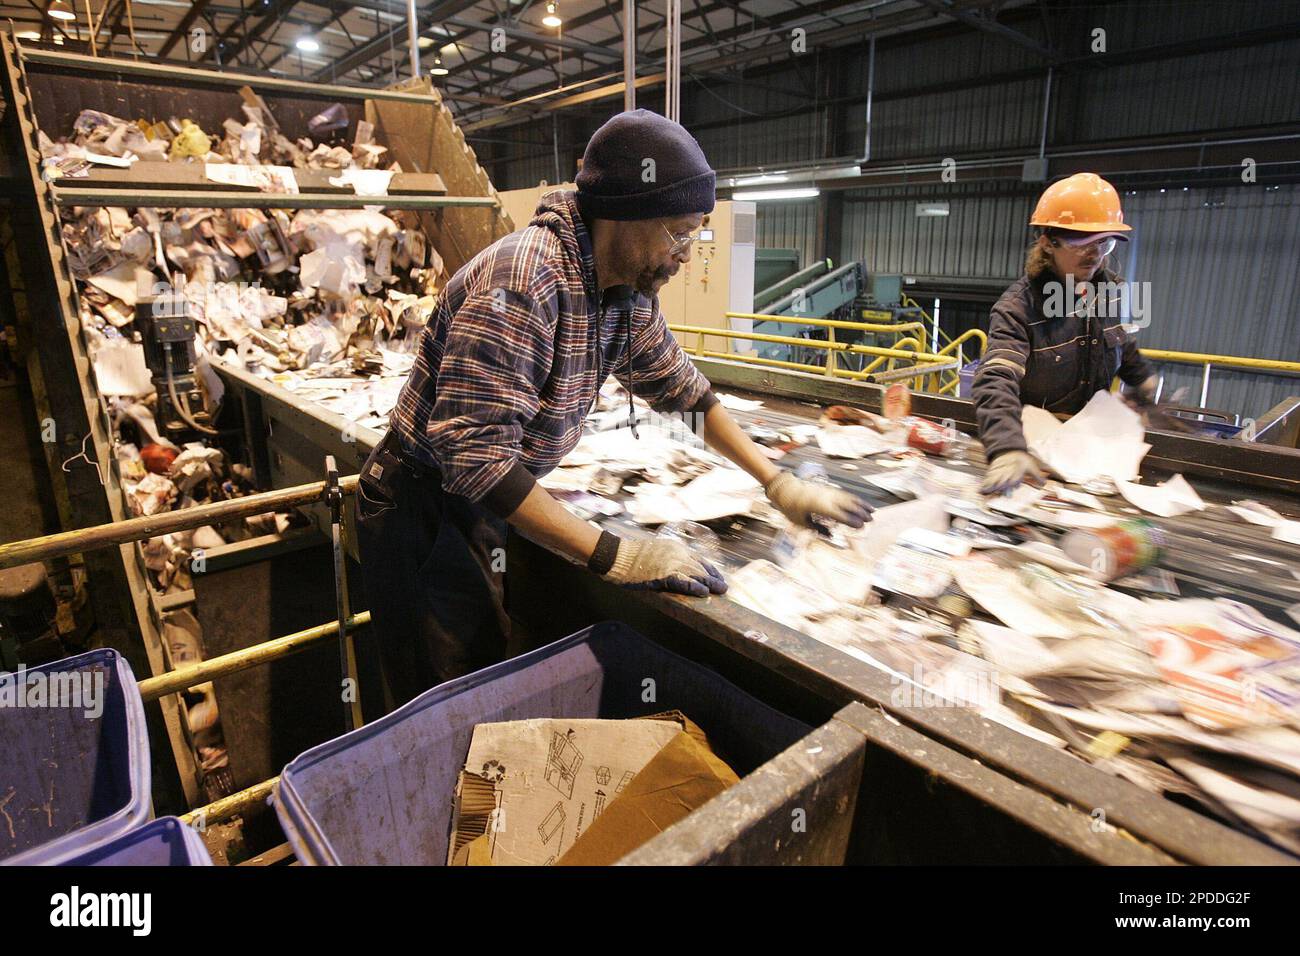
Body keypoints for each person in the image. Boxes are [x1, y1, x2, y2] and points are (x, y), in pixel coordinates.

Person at [356, 109, 872, 705]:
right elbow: (478, 460)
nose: (685, 254)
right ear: (624, 213)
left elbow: (682, 391)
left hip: (481, 503)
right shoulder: (526, 281)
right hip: (421, 506)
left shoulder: (623, 290)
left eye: (695, 234)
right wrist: (613, 555)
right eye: (678, 232)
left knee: (481, 667)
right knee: (442, 702)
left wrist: (778, 482)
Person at [972, 172, 1159, 495]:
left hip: (1092, 455)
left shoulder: (1111, 291)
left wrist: (1142, 378)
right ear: (1048, 241)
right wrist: (1006, 447)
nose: (1095, 253)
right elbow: (995, 379)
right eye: (1081, 242)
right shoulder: (1017, 309)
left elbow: (1121, 342)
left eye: (1104, 241)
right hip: (1036, 458)